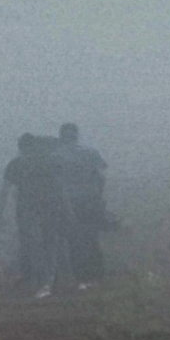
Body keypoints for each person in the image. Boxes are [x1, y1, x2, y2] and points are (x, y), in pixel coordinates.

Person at [0, 133, 59, 292]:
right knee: (48, 242)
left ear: (20, 147)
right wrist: (65, 208)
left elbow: (5, 190)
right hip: (47, 207)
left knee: (31, 244)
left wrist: (0, 213)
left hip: (26, 209)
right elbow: (59, 187)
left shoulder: (15, 164)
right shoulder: (46, 163)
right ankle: (49, 277)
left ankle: (39, 278)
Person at [51, 121, 109, 285]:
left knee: (74, 240)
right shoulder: (91, 152)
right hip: (91, 200)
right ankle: (97, 276)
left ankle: (82, 278)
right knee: (92, 238)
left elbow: (57, 184)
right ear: (76, 136)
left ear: (61, 137)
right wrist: (99, 197)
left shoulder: (56, 156)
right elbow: (101, 176)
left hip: (69, 202)